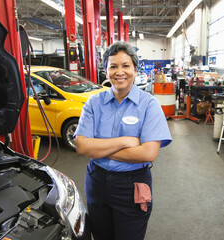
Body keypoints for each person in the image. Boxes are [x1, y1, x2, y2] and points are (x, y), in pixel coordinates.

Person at [74, 41, 172, 240]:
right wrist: (125, 141)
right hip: (97, 181)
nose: (120, 72)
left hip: (132, 184)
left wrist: (98, 148)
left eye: (126, 66)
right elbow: (82, 146)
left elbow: (147, 153)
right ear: (106, 70)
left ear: (135, 69)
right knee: (101, 235)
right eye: (113, 66)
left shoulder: (149, 105)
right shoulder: (94, 103)